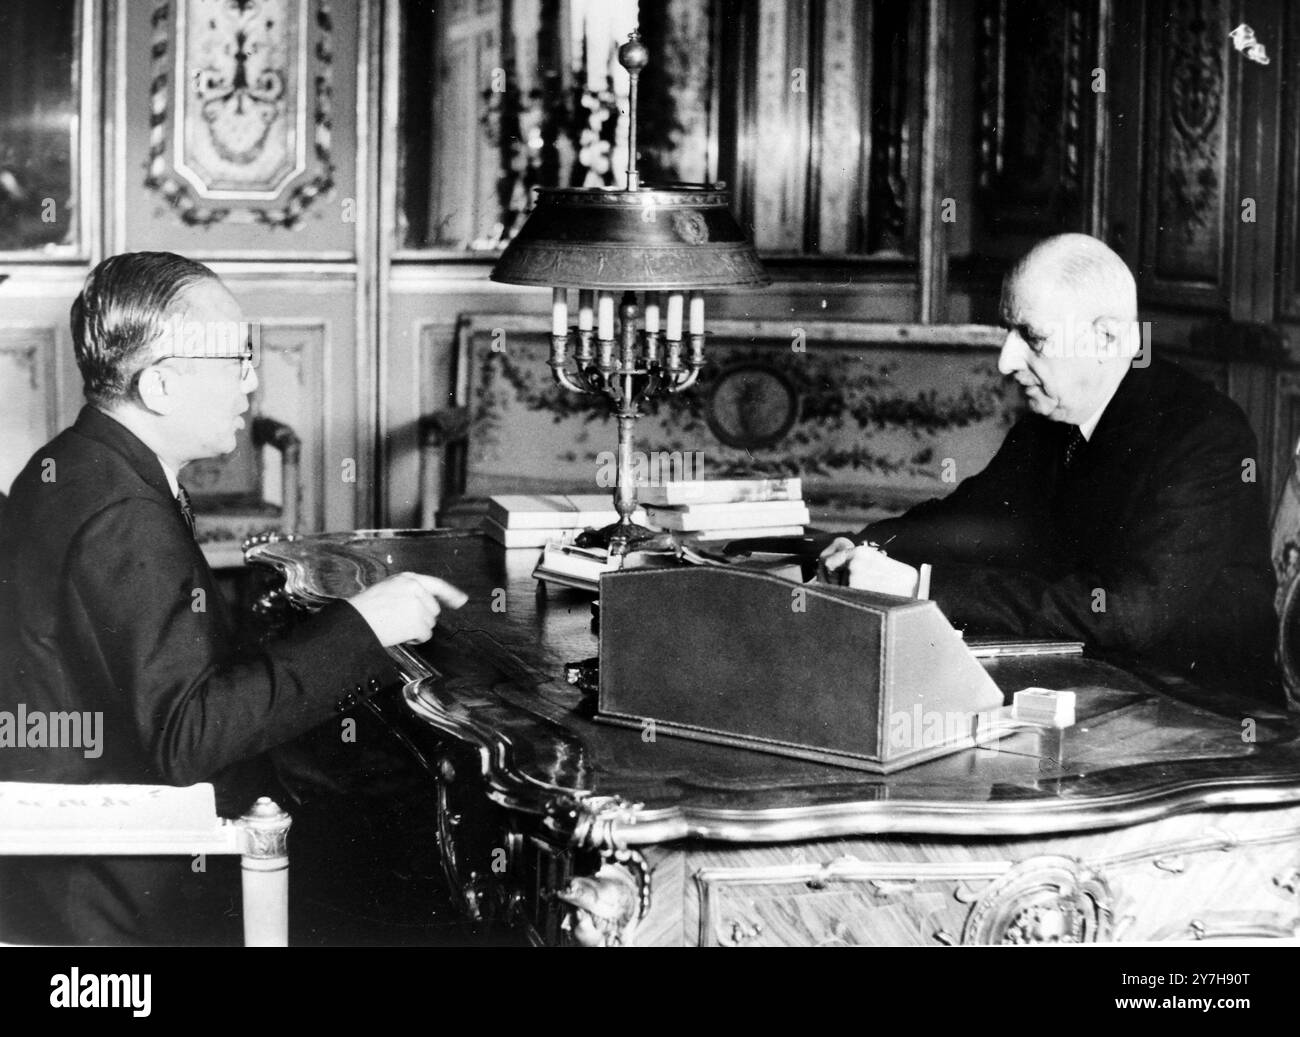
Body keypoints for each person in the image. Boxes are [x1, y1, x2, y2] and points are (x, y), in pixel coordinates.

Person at [0, 252, 468, 944]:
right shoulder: (124, 514)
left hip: (77, 852)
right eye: (234, 360)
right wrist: (364, 626)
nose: (252, 381)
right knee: (407, 889)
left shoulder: (71, 465)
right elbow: (187, 737)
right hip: (117, 884)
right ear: (159, 385)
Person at [821, 233, 1280, 705]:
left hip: (1197, 711)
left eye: (1031, 337)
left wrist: (919, 585)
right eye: (1008, 332)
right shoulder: (1051, 419)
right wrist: (870, 545)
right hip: (1080, 683)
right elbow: (967, 517)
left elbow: (1126, 613)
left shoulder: (1204, 435)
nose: (1006, 360)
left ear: (1108, 337)